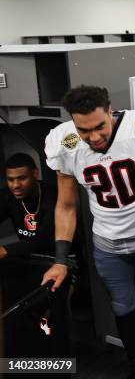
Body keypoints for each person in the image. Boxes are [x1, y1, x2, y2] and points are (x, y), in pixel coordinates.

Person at [41, 85, 135, 379]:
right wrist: (59, 258)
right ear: (72, 122)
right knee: (122, 307)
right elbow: (67, 205)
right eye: (84, 130)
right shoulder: (64, 141)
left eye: (99, 127)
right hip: (107, 244)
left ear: (110, 111)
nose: (94, 137)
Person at [0, 153, 70, 363]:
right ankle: (24, 360)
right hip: (28, 259)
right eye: (11, 179)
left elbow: (43, 239)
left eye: (21, 178)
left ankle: (55, 364)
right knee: (15, 310)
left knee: (48, 315)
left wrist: (5, 249)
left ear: (35, 174)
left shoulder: (52, 196)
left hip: (60, 261)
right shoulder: (8, 195)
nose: (15, 185)